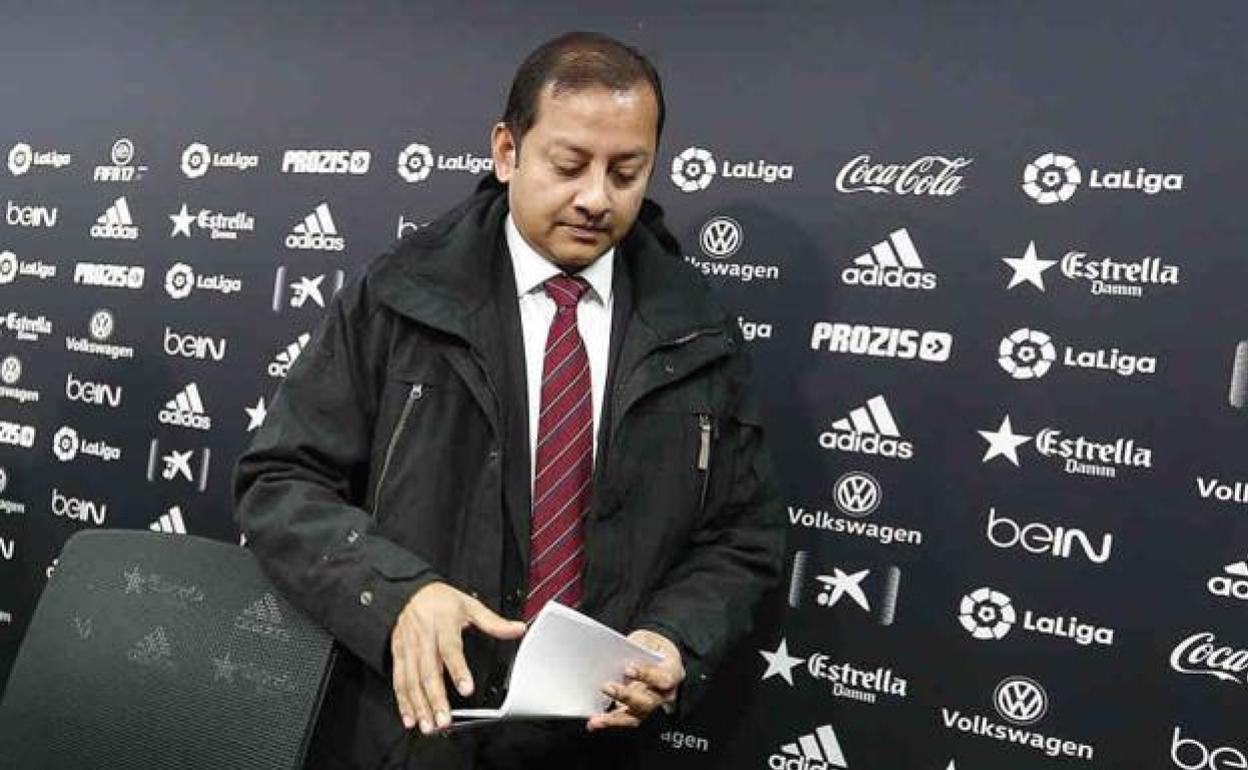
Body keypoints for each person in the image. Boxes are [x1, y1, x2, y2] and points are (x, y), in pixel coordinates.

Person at [233, 30, 783, 770]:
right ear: (506, 151)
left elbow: (741, 535)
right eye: (569, 164)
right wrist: (397, 595)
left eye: (627, 171)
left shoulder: (697, 328)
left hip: (601, 745)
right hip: (414, 733)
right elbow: (279, 482)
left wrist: (674, 638)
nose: (596, 198)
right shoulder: (397, 297)